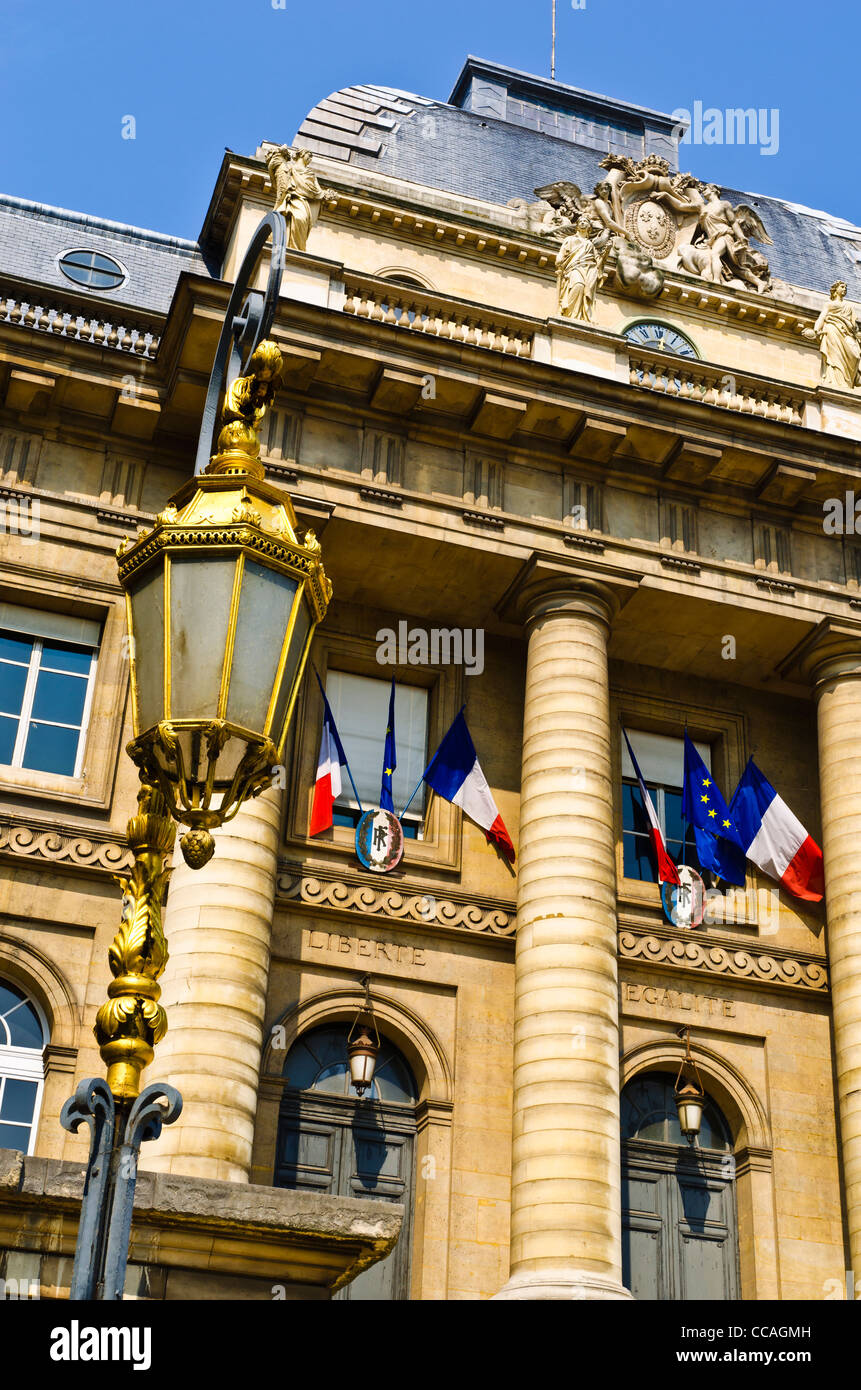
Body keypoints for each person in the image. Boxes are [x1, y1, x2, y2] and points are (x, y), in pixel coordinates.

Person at [804, 281, 861, 391]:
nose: (845, 289)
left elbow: (854, 327)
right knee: (834, 357)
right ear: (836, 290)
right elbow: (821, 317)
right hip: (833, 330)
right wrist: (816, 330)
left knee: (855, 356)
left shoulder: (849, 307)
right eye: (842, 287)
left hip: (847, 333)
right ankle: (836, 382)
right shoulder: (829, 304)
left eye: (845, 287)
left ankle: (849, 379)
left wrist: (854, 329)